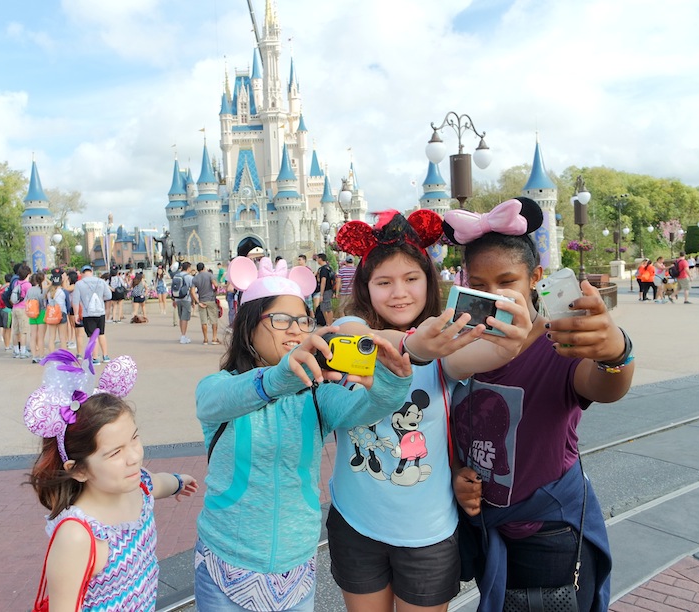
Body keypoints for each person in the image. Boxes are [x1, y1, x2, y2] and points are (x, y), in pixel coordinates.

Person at [327, 208, 531, 612]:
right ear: (366, 289)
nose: (398, 292)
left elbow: (485, 352)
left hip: (429, 534)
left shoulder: (445, 348)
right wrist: (411, 347)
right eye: (383, 282)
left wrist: (515, 335)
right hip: (356, 523)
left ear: (429, 282)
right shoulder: (352, 328)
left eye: (411, 279)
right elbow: (353, 339)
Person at [194, 255, 414, 611]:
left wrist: (393, 381)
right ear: (249, 325)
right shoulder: (220, 386)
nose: (296, 329)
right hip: (226, 559)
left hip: (296, 564)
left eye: (303, 320)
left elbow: (365, 409)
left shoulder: (317, 394)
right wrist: (280, 377)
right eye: (281, 320)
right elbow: (211, 403)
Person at [443, 198, 633, 611]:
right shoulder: (458, 344)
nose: (493, 296)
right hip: (486, 529)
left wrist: (615, 352)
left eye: (507, 281)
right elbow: (449, 423)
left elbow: (603, 386)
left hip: (549, 531)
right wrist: (460, 474)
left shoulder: (560, 341)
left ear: (536, 278)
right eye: (479, 282)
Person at [25, 337, 198, 610]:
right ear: (79, 470)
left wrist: (177, 482)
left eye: (134, 438)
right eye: (115, 452)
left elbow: (157, 483)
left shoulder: (138, 484)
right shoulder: (77, 535)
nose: (133, 456)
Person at [72, 265, 112, 364]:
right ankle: (105, 356)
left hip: (88, 313)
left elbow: (75, 300)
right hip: (100, 312)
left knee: (92, 336)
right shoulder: (101, 281)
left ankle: (95, 357)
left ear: (82, 273)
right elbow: (109, 295)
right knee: (101, 334)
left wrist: (76, 314)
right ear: (92, 271)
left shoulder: (79, 284)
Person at [192, 262, 219, 344]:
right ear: (204, 268)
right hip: (210, 299)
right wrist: (215, 290)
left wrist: (197, 302)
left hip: (202, 300)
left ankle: (205, 339)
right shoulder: (209, 275)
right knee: (214, 320)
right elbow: (215, 284)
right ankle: (214, 338)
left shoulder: (195, 278)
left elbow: (192, 292)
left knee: (204, 321)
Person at [11, 263, 33, 358]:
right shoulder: (27, 285)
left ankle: (16, 351)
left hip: (15, 308)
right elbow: (30, 297)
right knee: (23, 331)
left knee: (16, 331)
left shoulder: (16, 283)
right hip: (23, 308)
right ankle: (23, 351)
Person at [26, 272, 48, 363]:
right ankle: (41, 355)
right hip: (42, 312)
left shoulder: (30, 290)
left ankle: (34, 356)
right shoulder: (44, 290)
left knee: (33, 335)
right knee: (41, 336)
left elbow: (26, 301)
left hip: (32, 312)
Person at [45, 270, 69, 352]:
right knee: (63, 337)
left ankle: (52, 355)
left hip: (51, 314)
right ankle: (64, 356)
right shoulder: (64, 291)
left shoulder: (48, 292)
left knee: (51, 337)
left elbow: (46, 303)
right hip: (62, 313)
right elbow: (67, 304)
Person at [172, 261, 196, 344]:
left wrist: (173, 299)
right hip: (186, 299)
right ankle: (183, 336)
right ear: (188, 268)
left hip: (177, 298)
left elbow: (173, 288)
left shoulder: (176, 276)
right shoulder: (189, 277)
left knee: (181, 317)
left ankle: (182, 334)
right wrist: (194, 301)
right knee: (185, 318)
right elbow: (192, 290)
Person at [314, 253, 334, 325]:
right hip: (329, 290)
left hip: (326, 290)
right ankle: (328, 323)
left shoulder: (323, 269)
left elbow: (323, 281)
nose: (316, 260)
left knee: (327, 308)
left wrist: (321, 294)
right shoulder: (329, 268)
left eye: (317, 258)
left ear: (320, 259)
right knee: (323, 308)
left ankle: (329, 324)